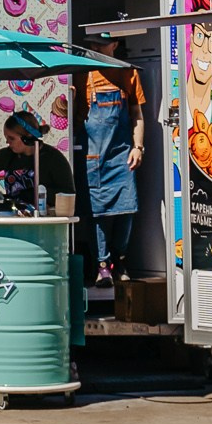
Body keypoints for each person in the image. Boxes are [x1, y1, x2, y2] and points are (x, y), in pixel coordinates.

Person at [80, 37, 146, 284]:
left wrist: (138, 147)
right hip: (94, 157)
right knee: (98, 214)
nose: (94, 48)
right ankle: (102, 264)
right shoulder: (82, 73)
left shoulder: (128, 73)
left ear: (116, 44)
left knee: (127, 211)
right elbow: (71, 113)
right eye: (92, 44)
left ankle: (120, 258)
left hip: (121, 155)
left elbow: (137, 114)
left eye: (100, 44)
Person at [0, 109, 75, 214]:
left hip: (43, 219)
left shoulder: (53, 158)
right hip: (13, 217)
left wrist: (34, 194)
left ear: (27, 138)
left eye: (11, 138)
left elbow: (68, 193)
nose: (7, 142)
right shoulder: (7, 155)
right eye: (6, 138)